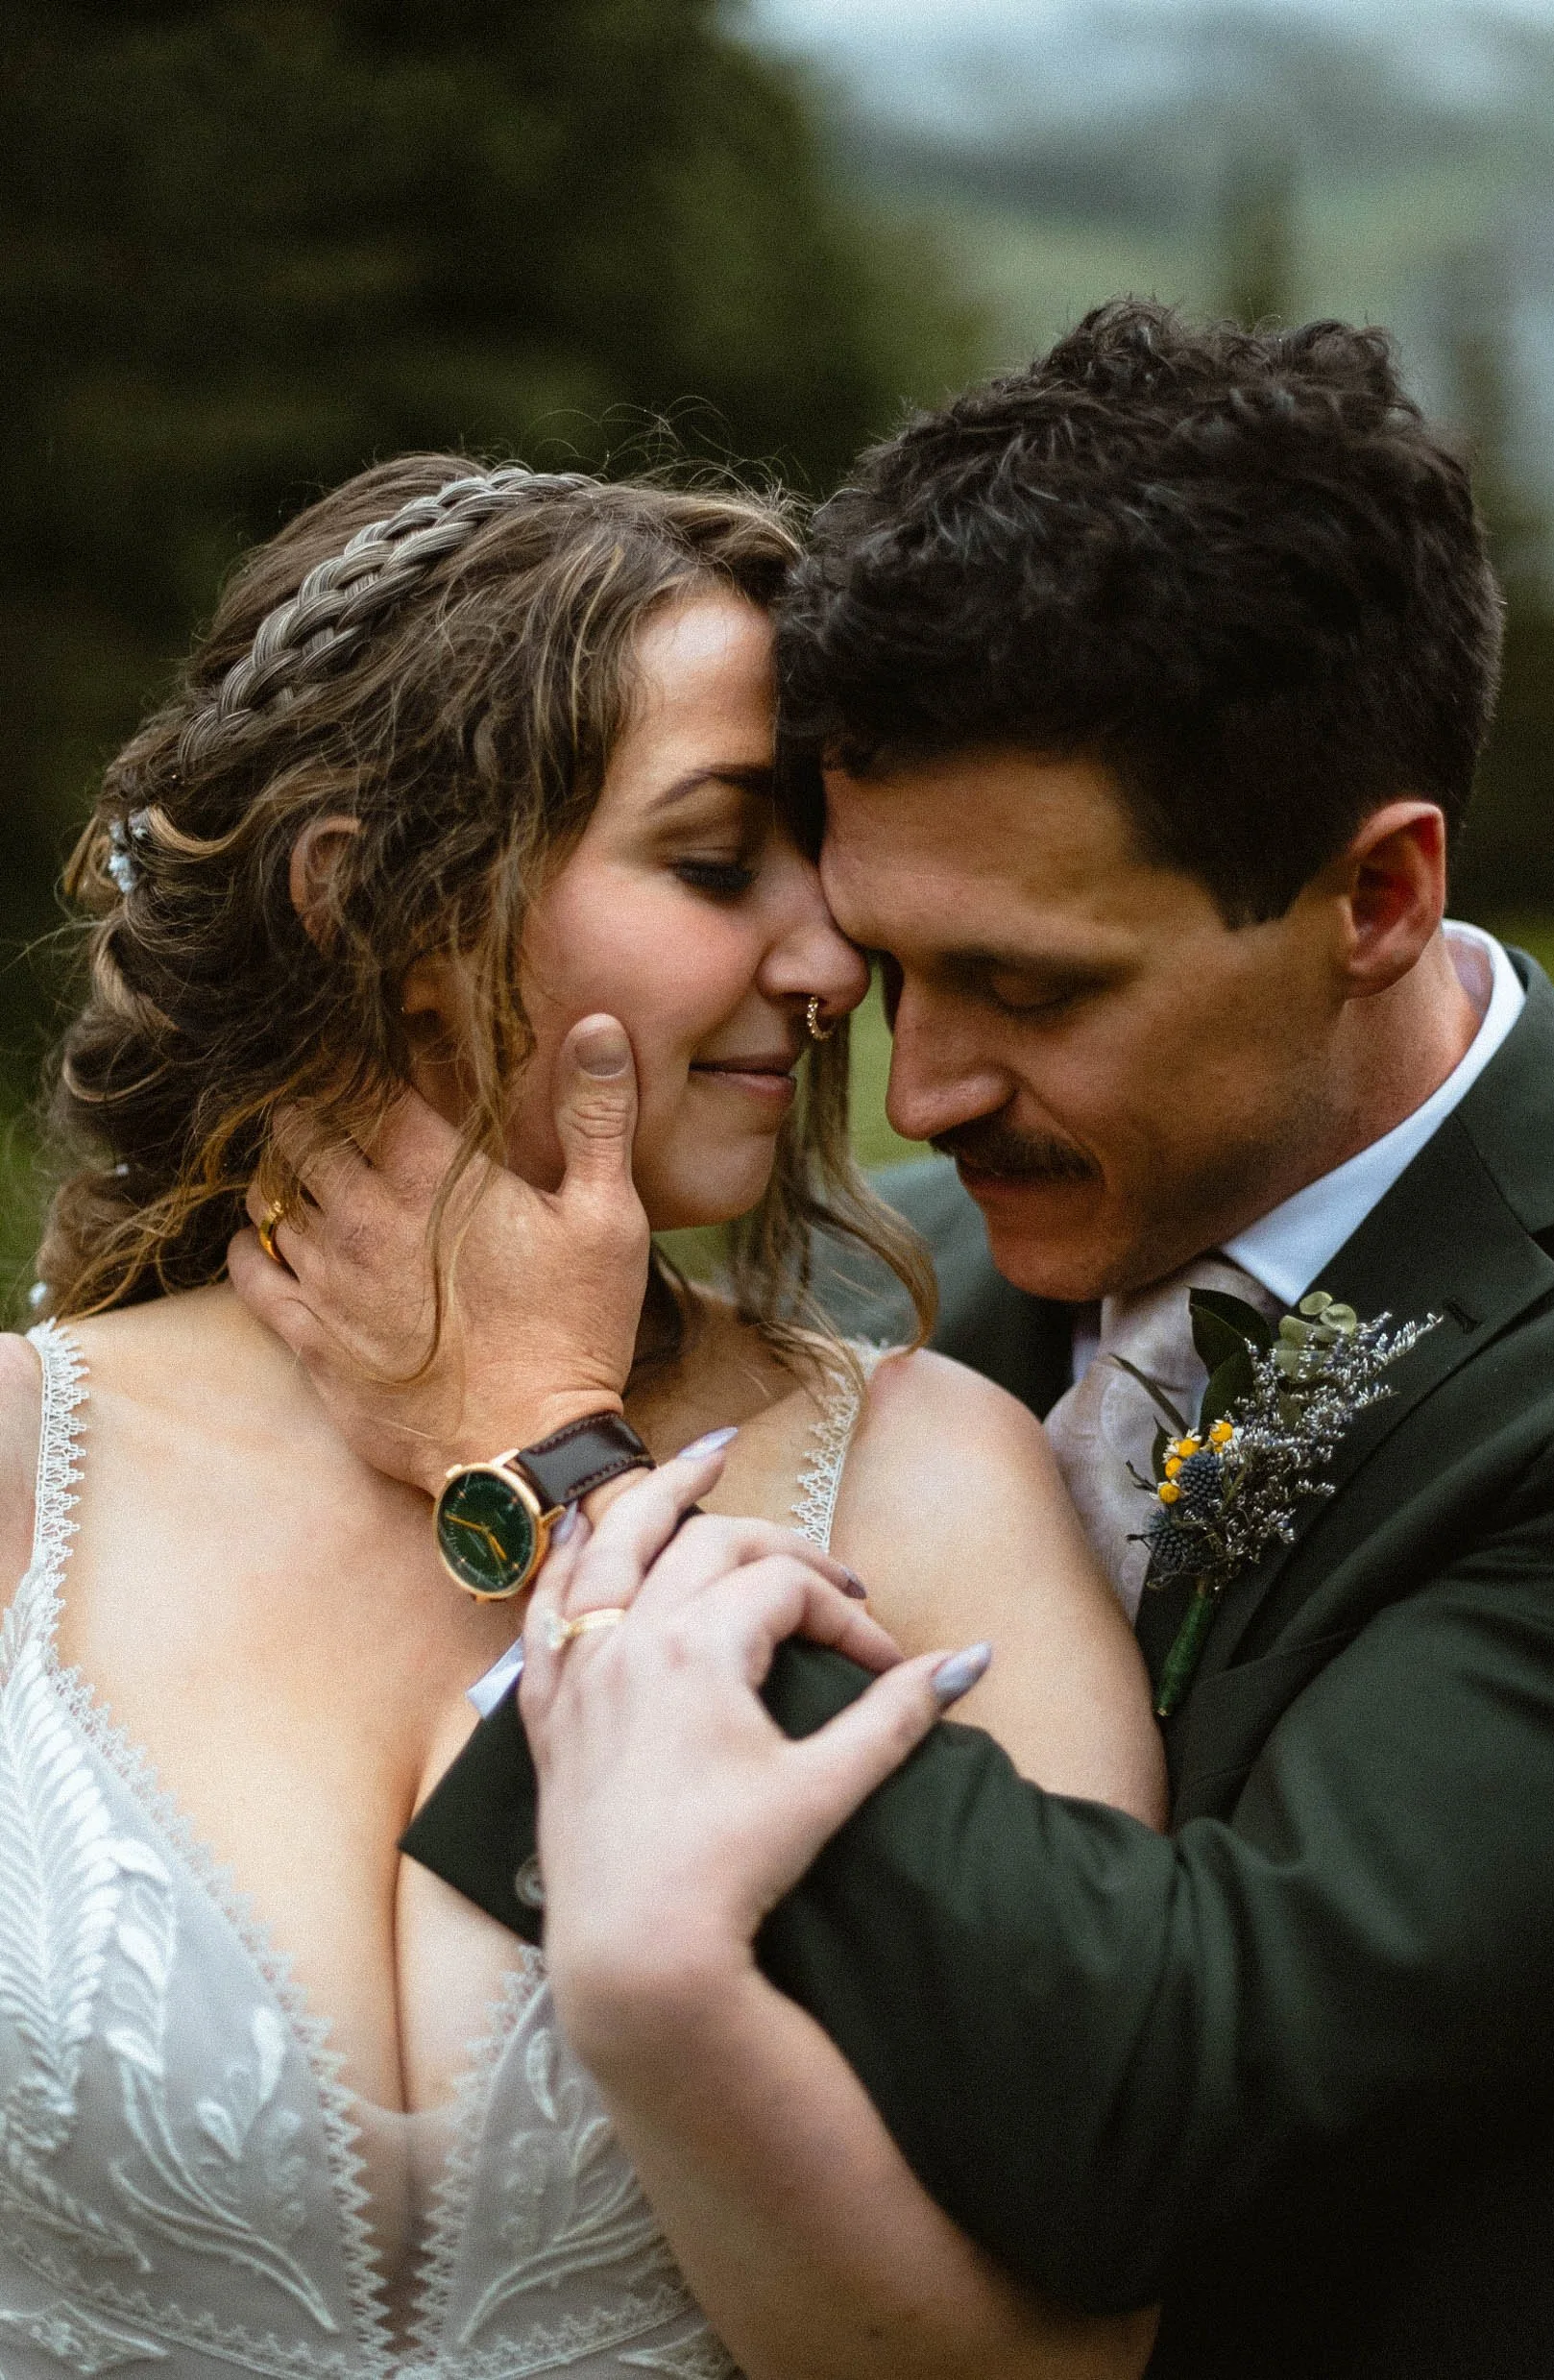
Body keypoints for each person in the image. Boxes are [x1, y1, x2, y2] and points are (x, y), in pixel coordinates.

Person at [240, 305, 1554, 2380]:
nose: (923, 1089)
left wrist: (557, 1472)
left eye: (1029, 990)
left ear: (1378, 896)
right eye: (885, 968)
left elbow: (1172, 2095)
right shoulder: (875, 1293)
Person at [0, 455, 1163, 2376]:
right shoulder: (26, 1475)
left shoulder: (937, 1479)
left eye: (819, 867)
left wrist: (672, 2014)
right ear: (372, 901)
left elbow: (1068, 2356)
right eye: (718, 861)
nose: (826, 962)